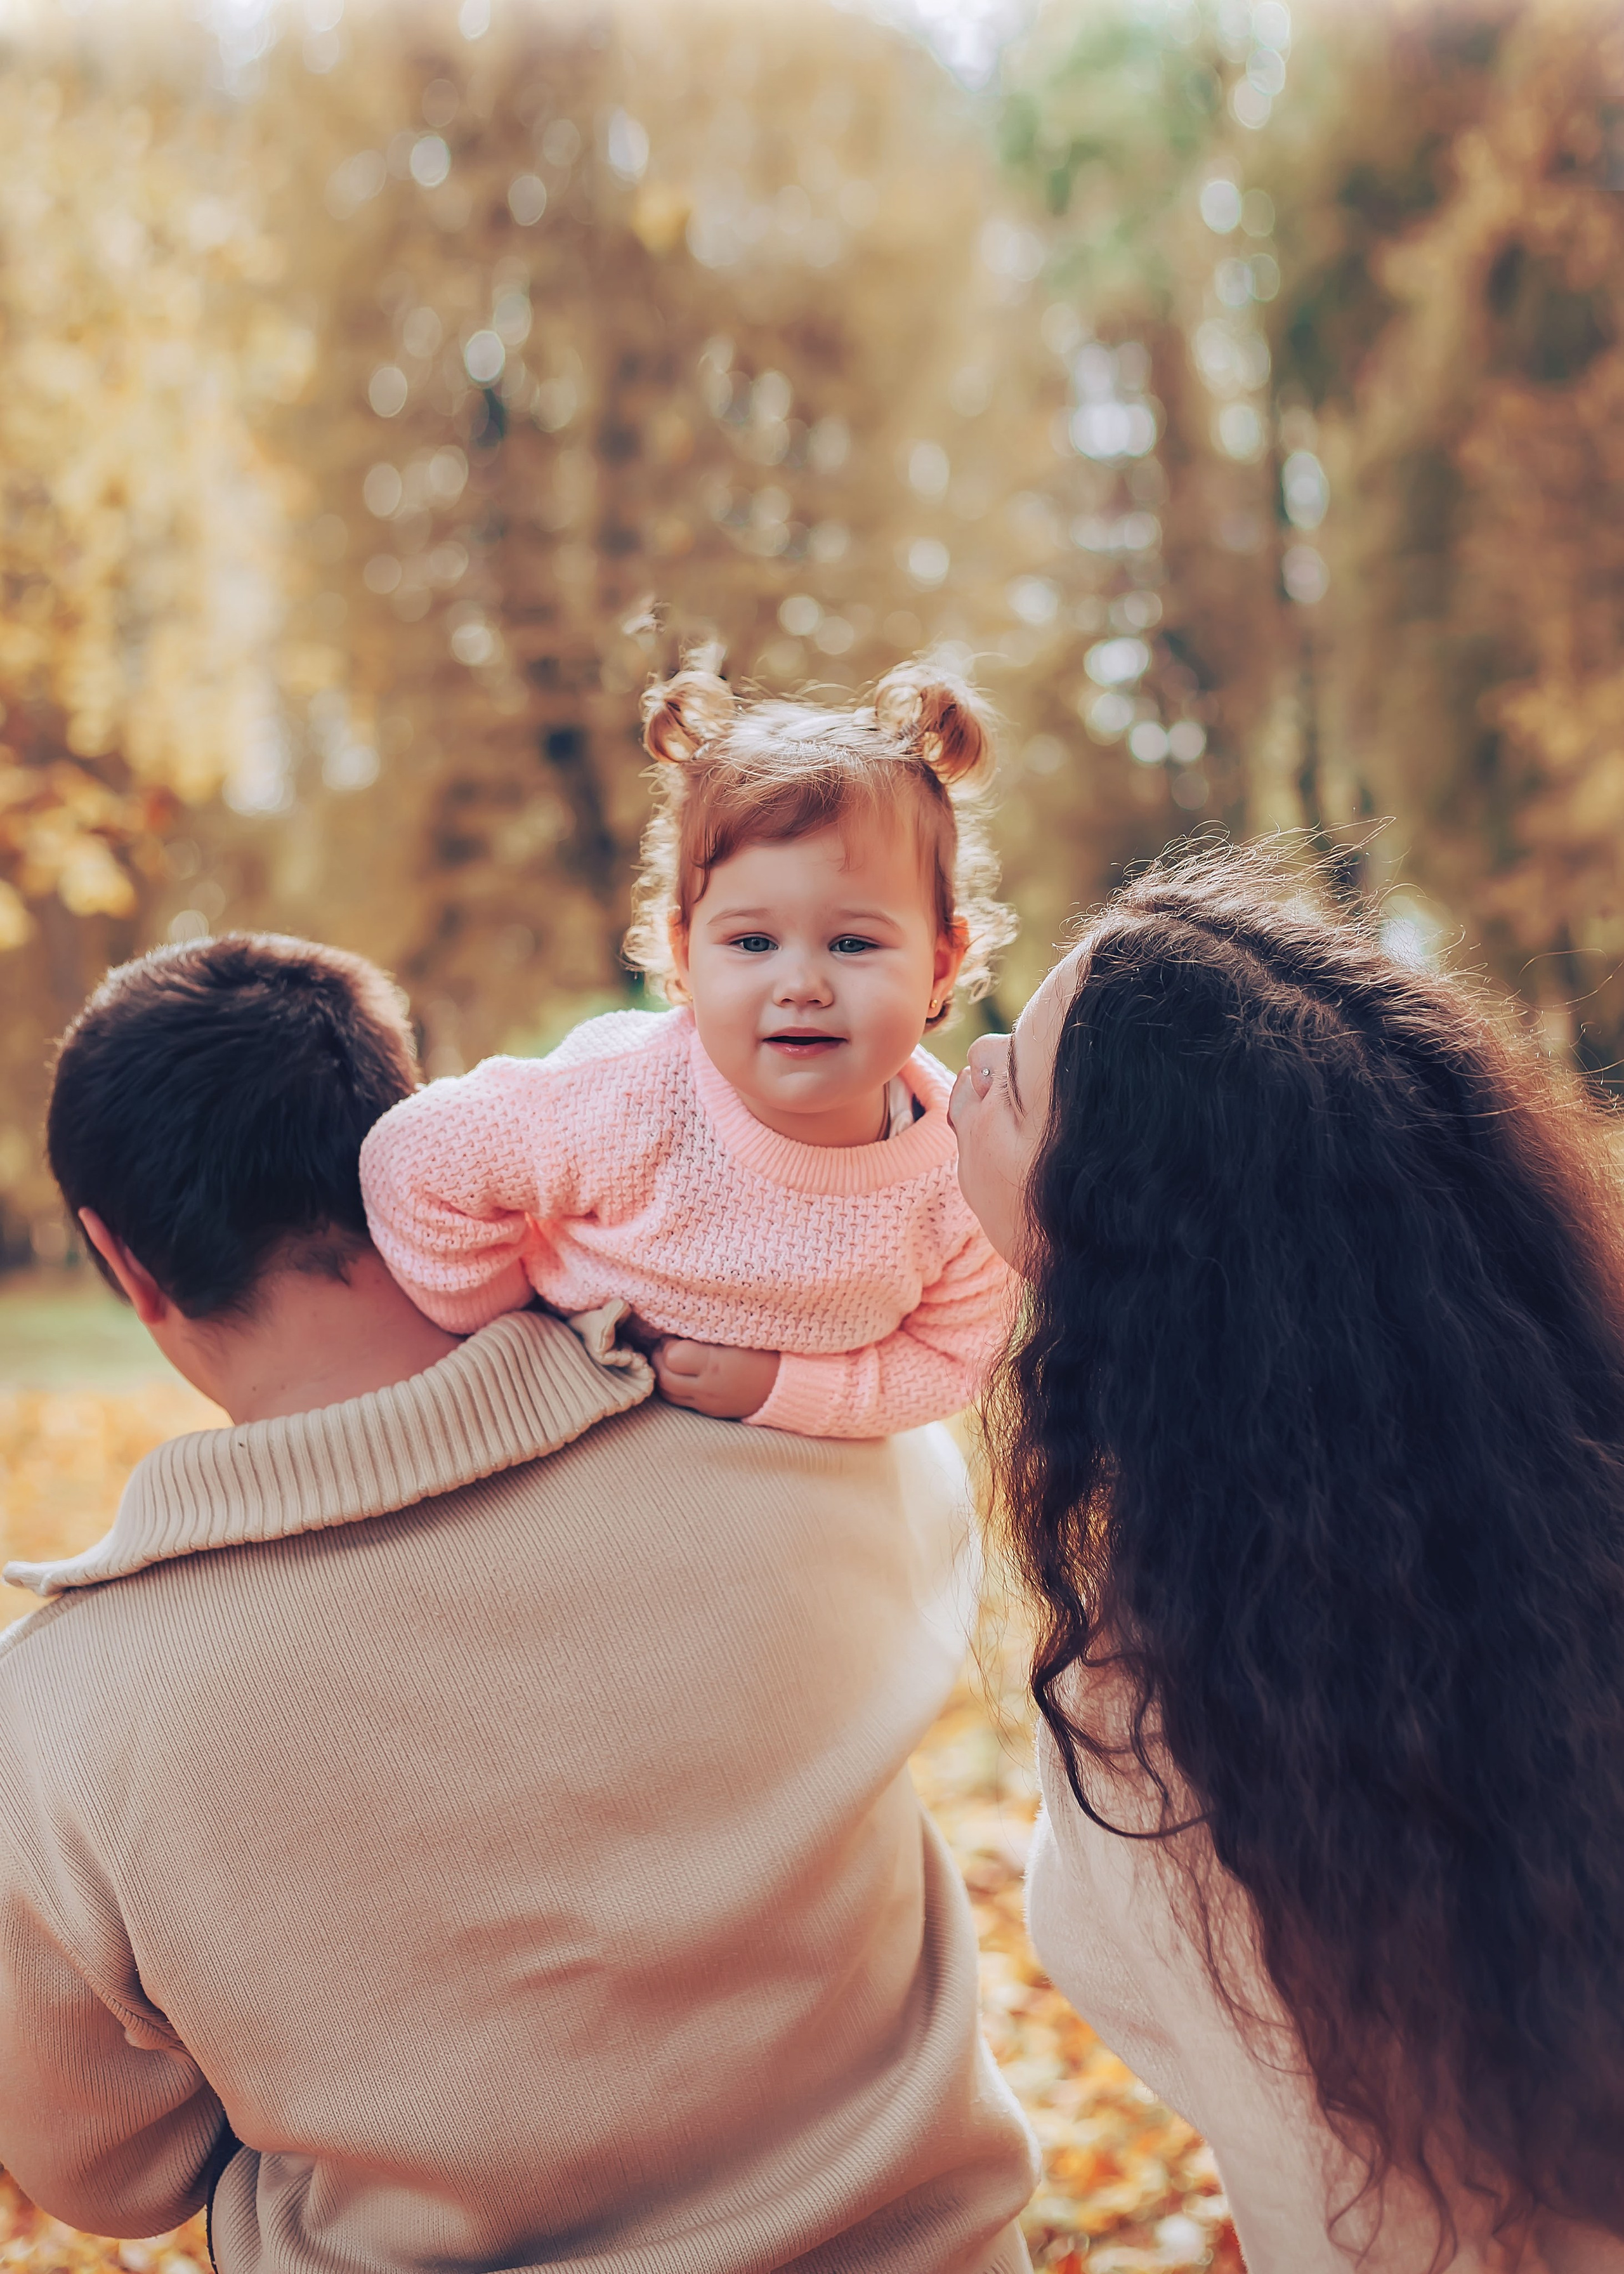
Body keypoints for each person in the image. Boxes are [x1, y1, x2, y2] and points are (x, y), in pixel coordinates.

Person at [0, 931, 1038, 2274]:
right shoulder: (807, 1441)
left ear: (125, 1264)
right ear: (413, 1144)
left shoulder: (57, 1728)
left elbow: (113, 2169)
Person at [949, 845, 1624, 2273]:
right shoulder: (1551, 1524)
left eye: (1010, 1082)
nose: (968, 1067)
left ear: (1121, 1238)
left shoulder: (1166, 1710)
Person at [360, 659, 1016, 1438]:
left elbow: (956, 1357)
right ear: (684, 956)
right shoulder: (626, 1098)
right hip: (573, 1434)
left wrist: (786, 1387)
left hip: (790, 1490)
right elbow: (412, 1161)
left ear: (941, 962)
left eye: (851, 941)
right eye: (751, 941)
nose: (801, 982)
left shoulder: (964, 1170)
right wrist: (514, 1335)